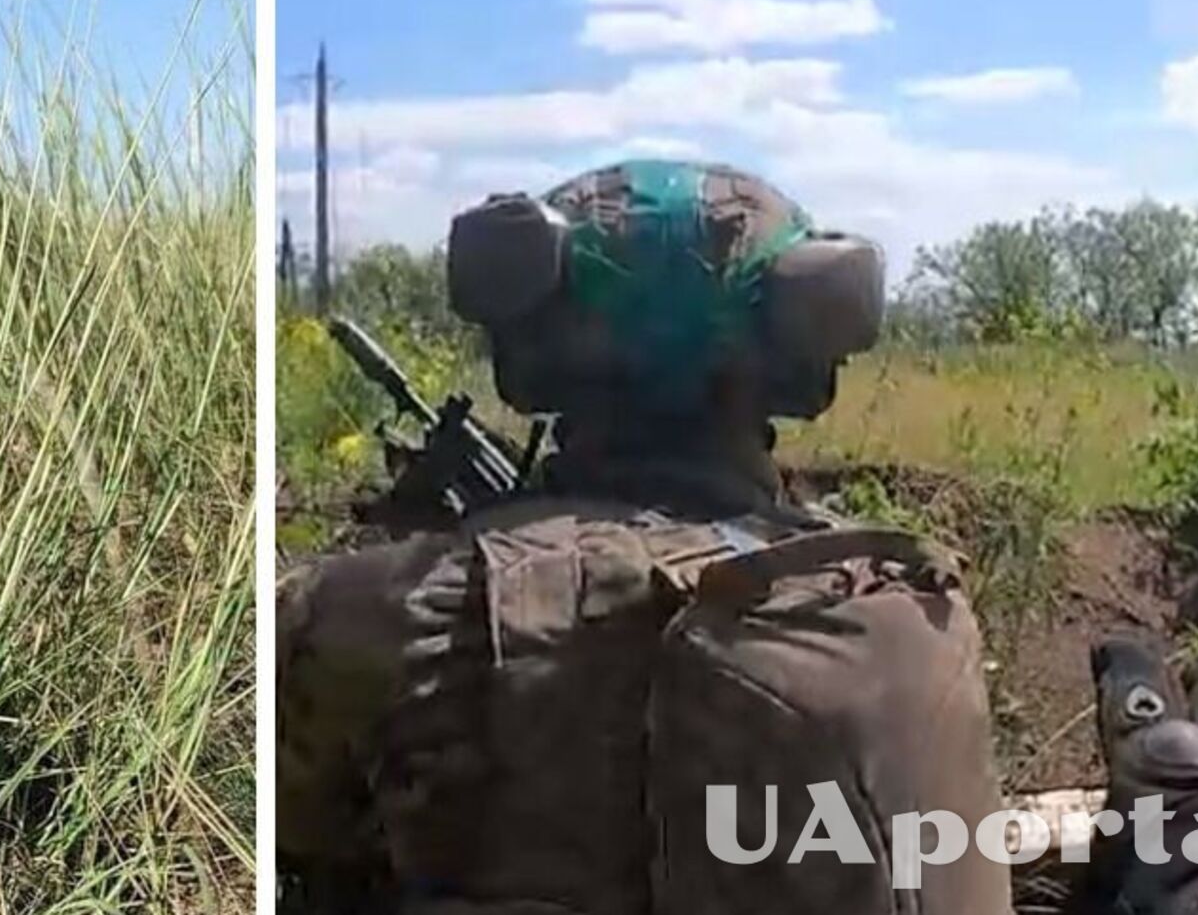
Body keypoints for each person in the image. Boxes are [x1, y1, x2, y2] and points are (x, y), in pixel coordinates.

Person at [278, 158, 1009, 913]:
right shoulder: (907, 623)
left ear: (529, 349)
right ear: (804, 363)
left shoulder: (369, 612)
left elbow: (292, 839)